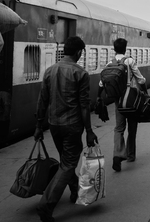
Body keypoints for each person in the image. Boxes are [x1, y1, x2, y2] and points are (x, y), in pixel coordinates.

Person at [34, 36, 98, 222]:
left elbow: (42, 101)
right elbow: (84, 105)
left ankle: (74, 190)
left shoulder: (49, 71)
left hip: (54, 125)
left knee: (65, 161)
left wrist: (39, 126)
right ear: (78, 52)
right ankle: (46, 206)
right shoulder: (81, 73)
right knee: (68, 165)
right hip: (72, 126)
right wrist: (89, 131)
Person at [97, 38, 146, 172]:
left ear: (114, 49)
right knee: (132, 127)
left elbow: (101, 83)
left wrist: (98, 96)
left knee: (119, 128)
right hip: (131, 99)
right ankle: (130, 155)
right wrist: (145, 94)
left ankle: (117, 154)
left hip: (118, 100)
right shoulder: (130, 61)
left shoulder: (110, 64)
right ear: (125, 49)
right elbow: (140, 79)